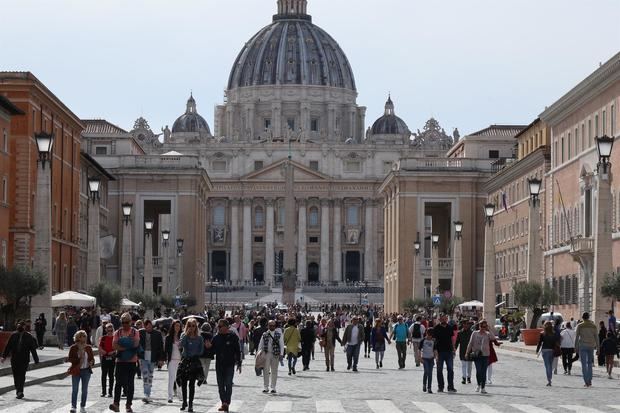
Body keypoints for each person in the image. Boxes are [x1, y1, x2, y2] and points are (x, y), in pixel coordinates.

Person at [206, 319, 242, 413]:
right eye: (218, 326)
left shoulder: (233, 337)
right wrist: (209, 347)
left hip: (230, 364)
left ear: (226, 327)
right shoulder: (216, 338)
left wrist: (239, 363)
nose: (218, 328)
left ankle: (227, 403)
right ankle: (223, 402)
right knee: (221, 385)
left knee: (228, 384)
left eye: (220, 326)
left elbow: (237, 351)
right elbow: (212, 352)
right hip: (219, 365)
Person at [109, 312, 140, 413]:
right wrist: (126, 347)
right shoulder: (117, 332)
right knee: (118, 383)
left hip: (132, 361)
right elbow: (114, 345)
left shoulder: (135, 332)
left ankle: (128, 405)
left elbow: (135, 344)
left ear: (130, 322)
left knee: (130, 383)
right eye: (123, 322)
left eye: (127, 322)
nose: (125, 324)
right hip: (120, 361)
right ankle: (116, 404)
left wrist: (122, 346)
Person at [0, 320, 39, 399]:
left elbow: (33, 349)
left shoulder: (28, 336)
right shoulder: (13, 335)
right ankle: (18, 389)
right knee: (16, 375)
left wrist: (36, 360)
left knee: (21, 375)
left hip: (24, 359)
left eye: (22, 325)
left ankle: (20, 391)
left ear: (24, 327)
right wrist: (3, 356)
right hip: (14, 359)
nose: (20, 327)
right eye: (19, 325)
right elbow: (8, 346)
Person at [178, 318, 205, 412]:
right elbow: (180, 345)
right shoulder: (183, 335)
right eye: (189, 325)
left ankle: (190, 404)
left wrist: (195, 353)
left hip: (194, 361)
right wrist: (186, 335)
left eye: (193, 326)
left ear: (196, 327)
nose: (191, 328)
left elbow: (201, 350)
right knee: (184, 383)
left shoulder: (199, 338)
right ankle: (184, 401)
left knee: (192, 384)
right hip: (185, 361)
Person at [138, 320, 165, 404]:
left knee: (150, 376)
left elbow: (161, 347)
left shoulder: (157, 334)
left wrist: (161, 359)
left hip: (152, 357)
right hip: (143, 357)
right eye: (147, 326)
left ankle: (148, 394)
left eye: (150, 326)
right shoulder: (140, 332)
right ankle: (146, 394)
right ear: (145, 326)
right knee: (145, 375)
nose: (149, 328)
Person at [67, 330, 95, 413]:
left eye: (85, 336)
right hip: (76, 370)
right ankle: (73, 406)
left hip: (86, 371)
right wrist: (79, 359)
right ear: (78, 337)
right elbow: (70, 358)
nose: (85, 337)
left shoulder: (88, 347)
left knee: (84, 389)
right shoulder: (73, 347)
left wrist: (91, 362)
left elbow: (92, 359)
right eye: (83, 336)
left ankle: (82, 406)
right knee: (75, 389)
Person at [465, 319, 494, 394]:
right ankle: (478, 384)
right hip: (477, 355)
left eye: (485, 326)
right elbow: (470, 343)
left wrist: (489, 329)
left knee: (484, 372)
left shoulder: (487, 334)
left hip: (485, 355)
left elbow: (493, 338)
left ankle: (483, 387)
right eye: (482, 326)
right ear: (479, 326)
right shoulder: (474, 333)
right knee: (479, 371)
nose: (483, 328)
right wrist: (467, 353)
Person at [258, 319, 284, 393]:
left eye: (273, 325)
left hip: (275, 354)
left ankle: (273, 387)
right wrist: (258, 353)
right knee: (265, 371)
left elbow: (282, 345)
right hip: (266, 354)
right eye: (270, 325)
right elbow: (260, 344)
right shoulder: (264, 334)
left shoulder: (279, 334)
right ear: (268, 326)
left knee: (274, 371)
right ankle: (266, 387)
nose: (272, 327)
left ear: (275, 326)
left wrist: (281, 354)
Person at [575, 312, 599, 387]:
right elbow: (597, 338)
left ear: (582, 317)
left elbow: (576, 338)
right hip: (591, 346)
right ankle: (590, 380)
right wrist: (598, 348)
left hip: (582, 345)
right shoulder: (593, 326)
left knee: (584, 364)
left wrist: (575, 347)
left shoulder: (580, 326)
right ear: (588, 317)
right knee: (589, 363)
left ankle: (586, 381)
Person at [434, 314, 457, 393]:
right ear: (440, 319)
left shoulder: (449, 328)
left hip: (449, 351)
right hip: (439, 352)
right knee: (439, 370)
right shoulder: (436, 328)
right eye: (442, 319)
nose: (444, 320)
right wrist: (435, 352)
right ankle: (440, 387)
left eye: (445, 319)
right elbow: (434, 341)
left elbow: (452, 339)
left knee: (450, 369)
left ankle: (450, 386)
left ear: (447, 319)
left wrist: (454, 349)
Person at [536, 321, 560, 387]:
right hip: (552, 350)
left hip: (545, 350)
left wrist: (537, 350)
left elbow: (540, 343)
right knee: (550, 364)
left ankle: (549, 380)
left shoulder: (542, 333)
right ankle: (549, 378)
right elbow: (557, 342)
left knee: (547, 365)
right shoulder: (554, 333)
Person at [165, 320, 182, 403]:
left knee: (179, 378)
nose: (177, 327)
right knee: (171, 378)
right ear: (173, 327)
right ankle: (170, 396)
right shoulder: (168, 337)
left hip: (180, 360)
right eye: (176, 326)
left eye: (179, 326)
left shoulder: (182, 336)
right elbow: (166, 349)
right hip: (171, 360)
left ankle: (180, 395)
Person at [98, 323, 116, 398]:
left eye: (111, 330)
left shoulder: (115, 338)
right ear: (106, 330)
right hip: (104, 357)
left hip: (112, 358)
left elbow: (117, 347)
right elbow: (100, 347)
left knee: (111, 375)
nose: (110, 332)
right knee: (104, 375)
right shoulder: (103, 338)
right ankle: (103, 391)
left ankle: (110, 392)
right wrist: (102, 351)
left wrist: (113, 351)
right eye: (108, 330)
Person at [454, 320, 473, 384]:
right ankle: (464, 378)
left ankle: (469, 377)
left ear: (469, 325)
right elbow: (457, 342)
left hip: (470, 351)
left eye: (467, 324)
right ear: (462, 325)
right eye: (464, 324)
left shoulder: (472, 333)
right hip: (462, 351)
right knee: (463, 365)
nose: (465, 325)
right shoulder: (460, 333)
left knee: (469, 365)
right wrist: (454, 349)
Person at [420, 328, 438, 393]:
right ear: (426, 333)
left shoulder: (433, 341)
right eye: (428, 335)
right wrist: (420, 358)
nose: (429, 336)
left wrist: (436, 357)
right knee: (426, 371)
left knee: (430, 373)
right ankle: (424, 384)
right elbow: (419, 350)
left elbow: (435, 350)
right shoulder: (423, 340)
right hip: (425, 358)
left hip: (431, 359)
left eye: (431, 335)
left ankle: (429, 388)